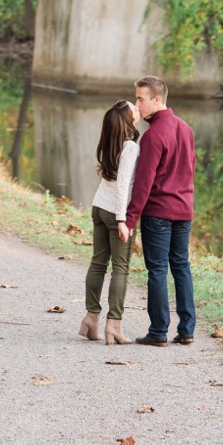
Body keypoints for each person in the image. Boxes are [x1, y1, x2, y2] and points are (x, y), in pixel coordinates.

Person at [118, 75, 196, 348]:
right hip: (184, 210)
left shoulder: (152, 136)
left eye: (141, 99)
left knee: (158, 270)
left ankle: (159, 331)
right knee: (181, 267)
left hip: (159, 213)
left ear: (157, 99)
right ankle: (187, 330)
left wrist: (129, 219)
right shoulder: (185, 128)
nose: (137, 105)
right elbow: (189, 171)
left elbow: (143, 184)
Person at [79, 100, 140, 347]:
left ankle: (90, 319)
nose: (138, 108)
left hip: (98, 206)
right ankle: (113, 325)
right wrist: (122, 219)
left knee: (98, 263)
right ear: (128, 121)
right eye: (133, 109)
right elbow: (124, 185)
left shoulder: (110, 141)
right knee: (120, 268)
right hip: (117, 212)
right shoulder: (130, 148)